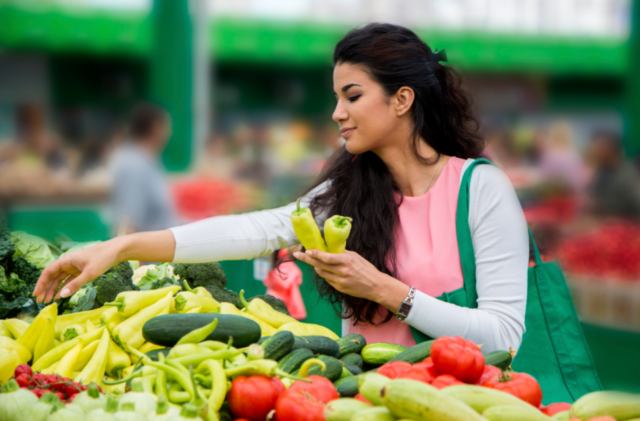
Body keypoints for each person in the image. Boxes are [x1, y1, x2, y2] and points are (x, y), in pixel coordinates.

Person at [35, 24, 528, 353]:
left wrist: (382, 288)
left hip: (461, 403)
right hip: (364, 400)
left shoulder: (481, 190)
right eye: (336, 97)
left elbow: (504, 336)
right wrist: (122, 247)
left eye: (352, 96)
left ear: (402, 99)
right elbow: (255, 229)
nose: (337, 113)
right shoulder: (351, 192)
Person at [108, 103, 180, 235]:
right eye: (167, 126)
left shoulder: (149, 161)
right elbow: (127, 225)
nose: (170, 132)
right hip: (148, 254)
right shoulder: (134, 166)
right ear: (155, 127)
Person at [585, 130, 640, 219]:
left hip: (622, 226)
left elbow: (634, 206)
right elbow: (591, 192)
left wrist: (599, 204)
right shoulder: (601, 170)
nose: (595, 151)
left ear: (611, 149)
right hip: (600, 223)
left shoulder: (627, 174)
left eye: (599, 147)